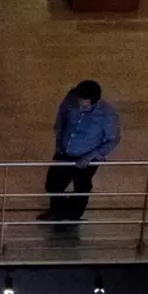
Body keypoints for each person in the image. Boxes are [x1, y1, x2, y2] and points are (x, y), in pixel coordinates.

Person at [40, 80, 121, 225]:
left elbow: (113, 140)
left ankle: (72, 216)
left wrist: (91, 156)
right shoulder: (71, 97)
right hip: (65, 151)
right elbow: (62, 114)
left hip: (87, 156)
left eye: (84, 104)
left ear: (94, 102)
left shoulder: (108, 115)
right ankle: (58, 211)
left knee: (81, 187)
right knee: (53, 184)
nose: (79, 105)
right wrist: (58, 140)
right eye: (78, 101)